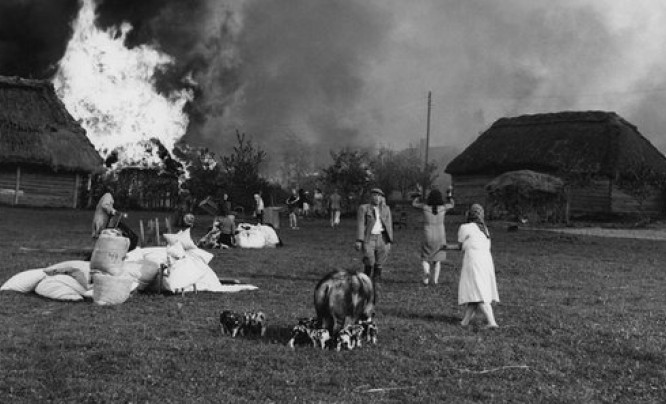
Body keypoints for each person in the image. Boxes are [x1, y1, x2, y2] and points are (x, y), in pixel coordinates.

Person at [457, 203, 499, 328]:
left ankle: (492, 322)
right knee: (474, 290)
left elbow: (460, 246)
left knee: (477, 291)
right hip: (486, 261)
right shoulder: (485, 229)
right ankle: (465, 322)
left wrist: (445, 247)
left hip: (473, 261)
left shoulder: (465, 227)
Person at [412, 189, 455, 286]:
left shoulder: (425, 207)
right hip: (440, 235)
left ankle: (426, 275)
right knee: (437, 259)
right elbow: (452, 204)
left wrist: (418, 194)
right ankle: (435, 280)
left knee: (425, 257)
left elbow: (414, 204)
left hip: (428, 234)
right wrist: (449, 195)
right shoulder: (443, 208)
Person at [355, 188, 393, 281]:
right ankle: (366, 276)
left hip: (382, 237)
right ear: (371, 196)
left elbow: (389, 225)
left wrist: (389, 240)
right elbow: (361, 224)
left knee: (381, 258)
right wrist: (359, 240)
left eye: (379, 196)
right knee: (369, 258)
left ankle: (377, 277)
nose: (377, 198)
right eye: (375, 195)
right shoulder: (364, 208)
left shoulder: (386, 209)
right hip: (369, 237)